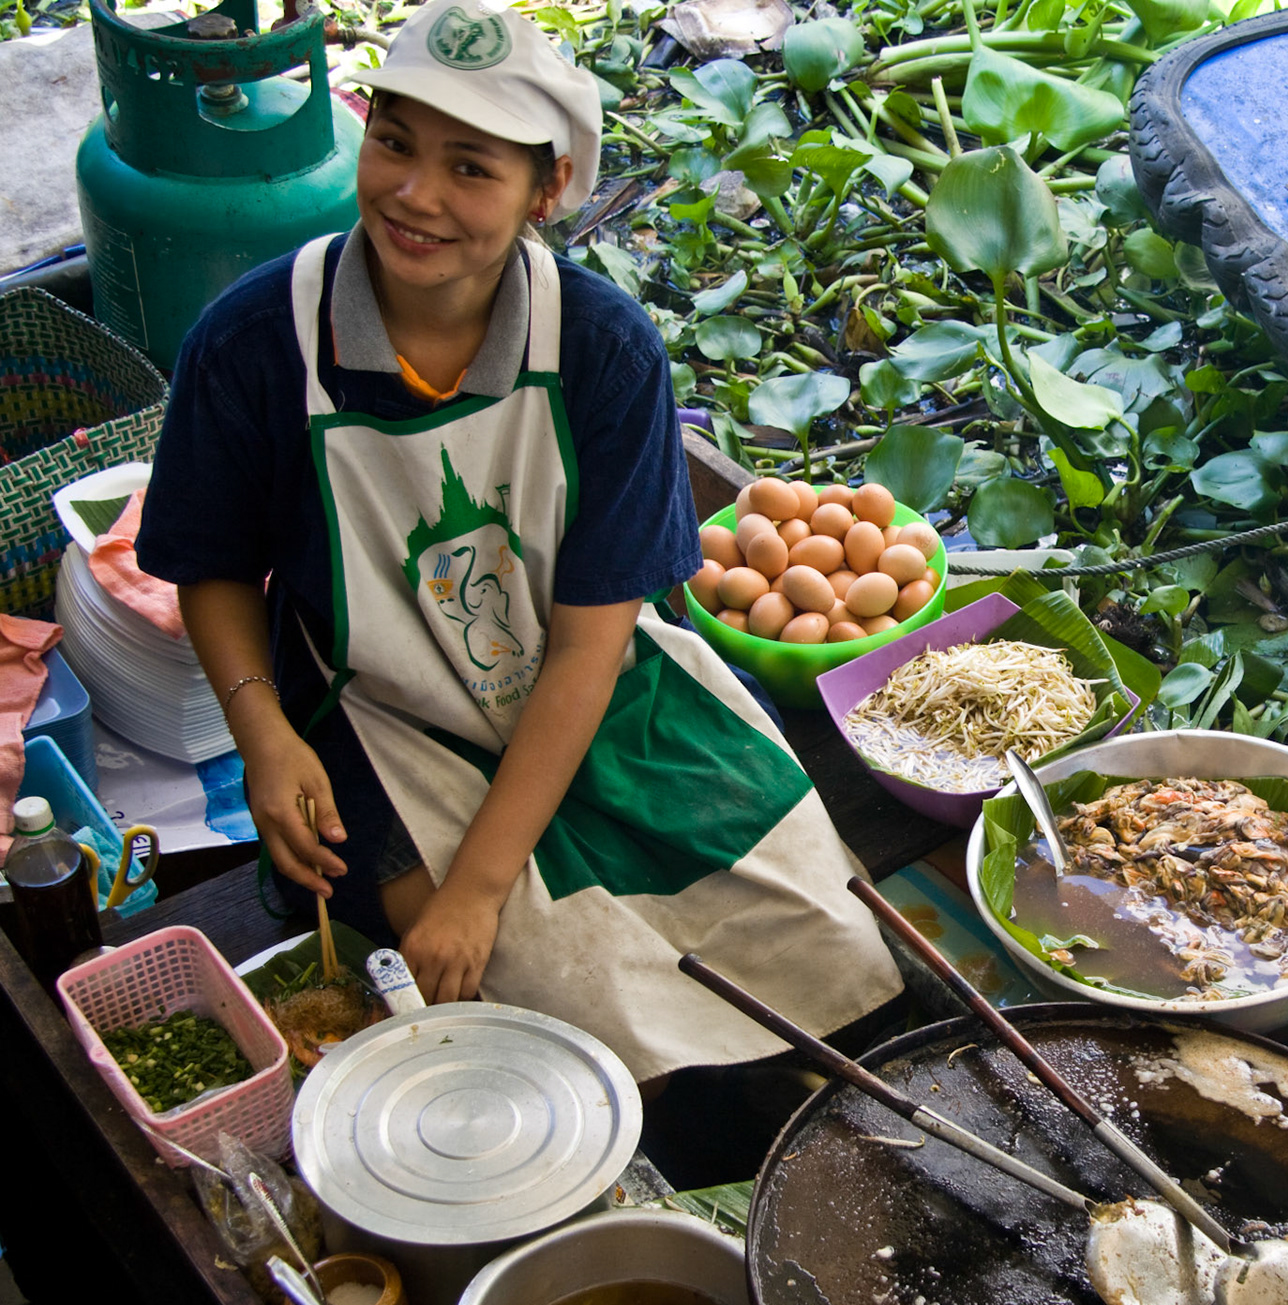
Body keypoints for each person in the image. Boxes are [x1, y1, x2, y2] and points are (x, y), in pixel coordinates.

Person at [137, 0, 900, 1085]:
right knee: (527, 1010)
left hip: (595, 692)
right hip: (375, 715)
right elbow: (211, 562)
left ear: (546, 191)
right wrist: (262, 736)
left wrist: (485, 879)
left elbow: (592, 645)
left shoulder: (600, 349)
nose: (416, 195)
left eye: (471, 168)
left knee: (825, 943)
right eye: (396, 142)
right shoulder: (260, 341)